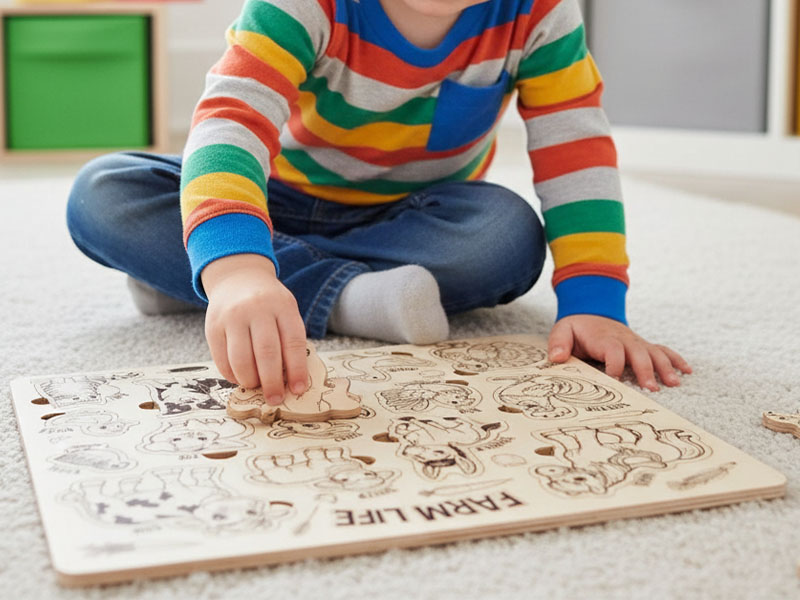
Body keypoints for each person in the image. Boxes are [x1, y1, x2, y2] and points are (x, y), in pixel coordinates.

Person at [67, 0, 691, 408]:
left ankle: (194, 279)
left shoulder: (541, 15)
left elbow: (575, 147)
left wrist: (595, 304)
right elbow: (231, 120)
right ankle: (328, 295)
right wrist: (236, 270)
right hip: (275, 198)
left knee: (504, 236)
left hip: (410, 220)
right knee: (103, 191)